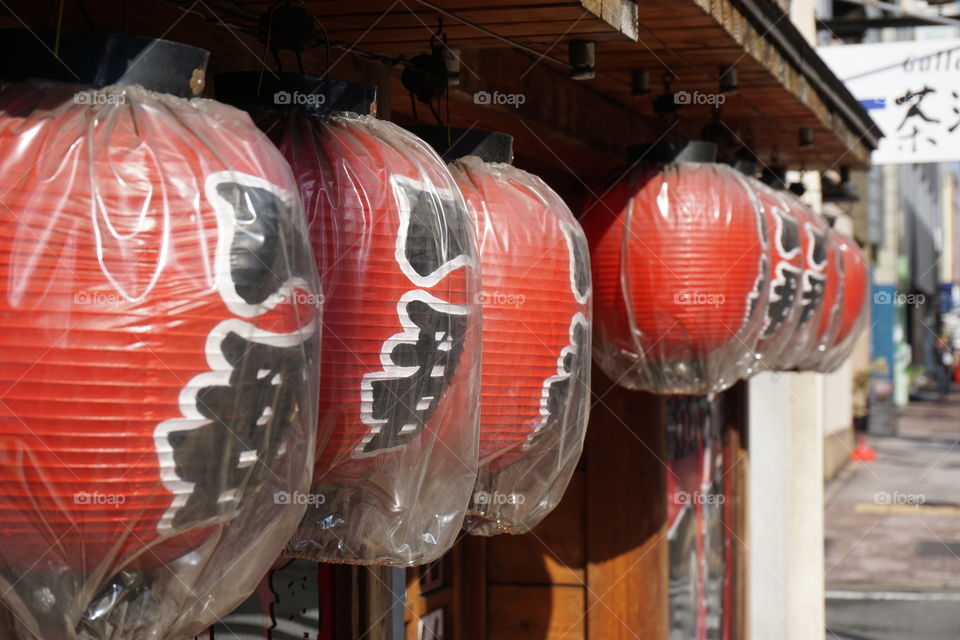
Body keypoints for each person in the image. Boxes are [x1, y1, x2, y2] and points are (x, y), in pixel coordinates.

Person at [934, 333, 954, 398]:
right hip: (940, 363)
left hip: (948, 363)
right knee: (941, 376)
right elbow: (935, 353)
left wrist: (948, 350)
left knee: (947, 376)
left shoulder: (949, 344)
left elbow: (952, 352)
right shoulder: (937, 345)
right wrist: (940, 348)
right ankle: (941, 391)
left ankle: (947, 391)